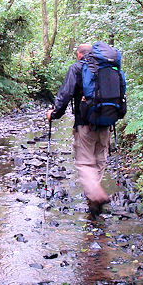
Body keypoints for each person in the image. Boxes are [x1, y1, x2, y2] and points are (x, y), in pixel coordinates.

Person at [46, 43, 111, 217]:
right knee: (99, 160)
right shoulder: (107, 68)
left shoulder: (76, 68)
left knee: (84, 162)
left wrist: (54, 114)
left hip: (84, 124)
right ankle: (94, 199)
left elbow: (66, 93)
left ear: (79, 54)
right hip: (106, 123)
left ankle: (95, 195)